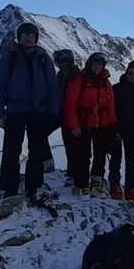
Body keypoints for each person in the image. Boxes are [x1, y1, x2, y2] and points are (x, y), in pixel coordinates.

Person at [0, 22, 59, 201]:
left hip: (38, 111)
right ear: (19, 36)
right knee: (11, 151)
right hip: (15, 110)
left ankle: (34, 186)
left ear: (36, 38)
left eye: (32, 34)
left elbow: (52, 86)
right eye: (25, 34)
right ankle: (8, 188)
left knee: (36, 151)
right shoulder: (10, 56)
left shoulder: (43, 57)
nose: (29, 37)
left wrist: (53, 112)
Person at [63, 52, 118, 195]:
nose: (98, 67)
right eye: (95, 63)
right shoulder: (80, 79)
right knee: (83, 153)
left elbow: (110, 105)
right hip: (83, 122)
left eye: (100, 64)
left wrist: (112, 124)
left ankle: (96, 178)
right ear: (89, 64)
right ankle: (81, 182)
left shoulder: (105, 82)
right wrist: (73, 125)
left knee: (100, 151)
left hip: (101, 123)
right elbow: (70, 103)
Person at [111, 60, 134, 201]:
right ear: (126, 72)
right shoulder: (116, 89)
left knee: (131, 161)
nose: (133, 75)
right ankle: (114, 185)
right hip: (118, 131)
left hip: (133, 132)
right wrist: (114, 129)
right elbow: (111, 110)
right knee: (116, 159)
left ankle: (130, 187)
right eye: (130, 72)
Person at [52, 49, 82, 188]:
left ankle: (77, 175)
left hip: (77, 116)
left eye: (63, 61)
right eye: (58, 61)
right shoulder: (60, 76)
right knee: (69, 146)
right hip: (63, 115)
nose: (60, 64)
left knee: (77, 147)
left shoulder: (77, 76)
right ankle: (72, 174)